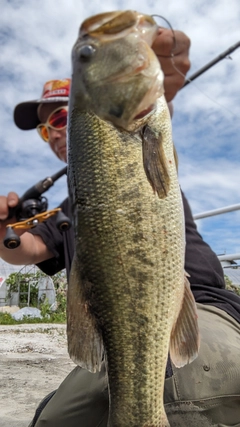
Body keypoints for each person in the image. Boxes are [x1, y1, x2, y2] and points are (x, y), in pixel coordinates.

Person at [0, 28, 240, 427]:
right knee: (52, 421)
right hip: (120, 340)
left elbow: (150, 123)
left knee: (181, 395)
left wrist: (156, 79)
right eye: (45, 129)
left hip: (202, 307)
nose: (54, 132)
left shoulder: (140, 157)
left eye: (61, 116)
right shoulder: (66, 212)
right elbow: (21, 250)